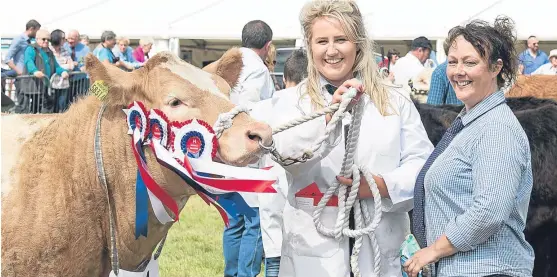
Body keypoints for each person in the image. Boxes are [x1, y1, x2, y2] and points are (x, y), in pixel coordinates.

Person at [251, 1, 434, 276]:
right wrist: (327, 119)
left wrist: (380, 185)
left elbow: (422, 164)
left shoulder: (394, 100)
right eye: (321, 41)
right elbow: (286, 156)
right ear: (310, 47)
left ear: (358, 44)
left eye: (341, 40)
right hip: (312, 257)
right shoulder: (290, 103)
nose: (331, 50)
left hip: (378, 252)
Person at [405, 16, 535, 277]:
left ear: (497, 67)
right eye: (453, 62)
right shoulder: (473, 123)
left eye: (470, 62)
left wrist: (433, 251)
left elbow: (488, 210)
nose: (458, 71)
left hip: (488, 269)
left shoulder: (496, 129)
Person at [222, 19, 276, 277]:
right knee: (254, 220)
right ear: (267, 46)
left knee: (235, 220)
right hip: (247, 153)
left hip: (224, 152)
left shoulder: (228, 63)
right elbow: (251, 110)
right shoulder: (257, 69)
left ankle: (233, 272)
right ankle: (245, 274)